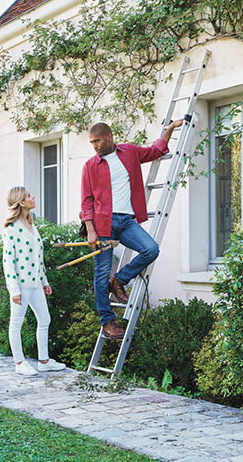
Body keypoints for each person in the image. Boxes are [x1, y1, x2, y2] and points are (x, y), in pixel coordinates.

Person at [80, 119, 185, 339]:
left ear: (109, 137)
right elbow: (86, 201)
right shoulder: (90, 166)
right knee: (100, 275)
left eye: (97, 141)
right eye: (91, 143)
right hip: (102, 225)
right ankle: (108, 323)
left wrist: (170, 129)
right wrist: (90, 229)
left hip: (127, 221)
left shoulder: (129, 152)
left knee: (150, 249)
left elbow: (155, 150)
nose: (95, 146)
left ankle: (119, 280)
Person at [2, 186, 67, 376]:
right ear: (21, 202)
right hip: (21, 287)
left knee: (45, 319)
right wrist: (14, 290)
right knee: (16, 323)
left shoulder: (32, 225)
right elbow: (8, 262)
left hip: (36, 284)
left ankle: (44, 361)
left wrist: (44, 281)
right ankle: (19, 363)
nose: (33, 197)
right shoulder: (11, 229)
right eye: (30, 196)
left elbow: (38, 257)